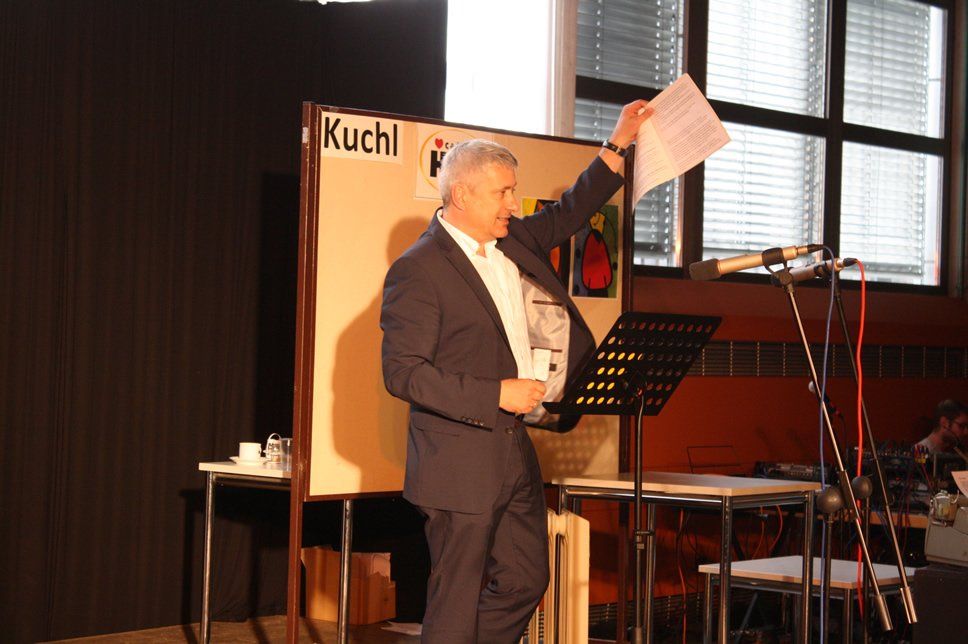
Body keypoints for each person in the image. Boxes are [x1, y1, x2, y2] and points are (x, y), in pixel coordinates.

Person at [380, 100, 652, 643]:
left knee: (527, 578)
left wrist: (620, 140)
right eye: (502, 192)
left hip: (513, 452)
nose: (513, 203)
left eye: (513, 191)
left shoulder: (513, 241)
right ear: (462, 195)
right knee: (455, 598)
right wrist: (495, 394)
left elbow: (573, 210)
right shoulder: (419, 269)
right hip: (457, 459)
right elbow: (403, 373)